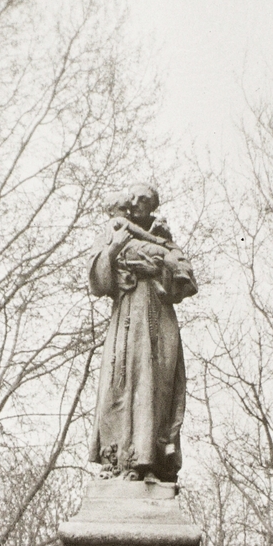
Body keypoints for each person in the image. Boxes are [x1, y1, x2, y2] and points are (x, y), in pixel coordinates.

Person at [87, 183, 197, 483]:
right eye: (132, 198)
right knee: (119, 385)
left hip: (159, 321)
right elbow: (97, 281)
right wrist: (113, 251)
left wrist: (153, 264)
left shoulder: (166, 240)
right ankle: (120, 461)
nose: (135, 203)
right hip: (125, 320)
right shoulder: (113, 231)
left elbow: (183, 277)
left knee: (155, 387)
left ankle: (151, 462)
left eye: (144, 199)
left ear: (153, 206)